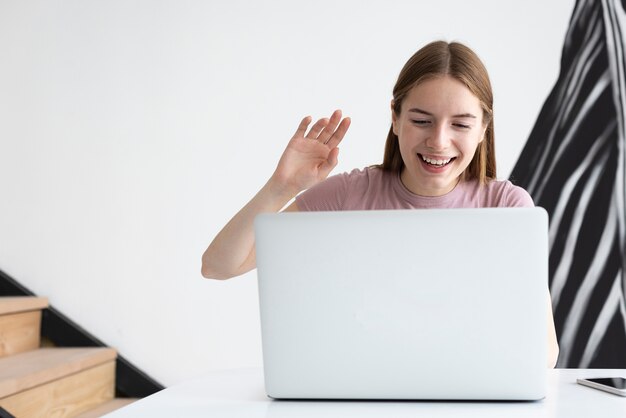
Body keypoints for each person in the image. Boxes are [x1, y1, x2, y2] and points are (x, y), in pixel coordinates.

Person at [201, 40, 559, 367]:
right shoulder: (347, 196)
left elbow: (545, 351)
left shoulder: (508, 208)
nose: (438, 141)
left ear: (483, 129)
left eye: (461, 125)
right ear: (395, 117)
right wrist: (281, 187)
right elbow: (219, 266)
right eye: (421, 120)